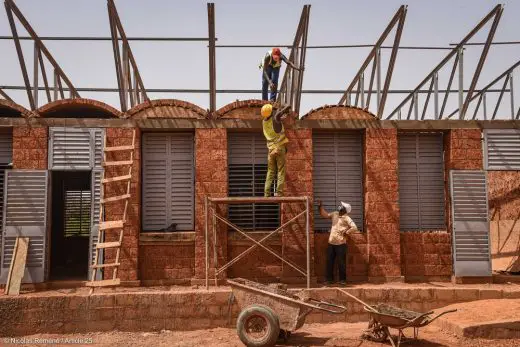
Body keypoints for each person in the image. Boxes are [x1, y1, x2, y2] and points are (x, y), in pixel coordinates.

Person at [317, 199, 358, 286]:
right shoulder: (335, 214)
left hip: (341, 244)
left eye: (341, 206)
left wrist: (346, 232)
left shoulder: (347, 218)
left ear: (344, 210)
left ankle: (342, 280)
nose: (339, 207)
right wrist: (320, 206)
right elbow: (325, 215)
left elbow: (354, 227)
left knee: (341, 263)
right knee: (329, 261)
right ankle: (329, 280)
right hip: (331, 242)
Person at [261, 103, 291, 197]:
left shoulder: (264, 122)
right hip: (279, 148)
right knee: (281, 170)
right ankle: (279, 193)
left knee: (270, 171)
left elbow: (277, 116)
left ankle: (266, 193)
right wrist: (284, 106)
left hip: (270, 151)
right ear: (270, 113)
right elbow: (284, 109)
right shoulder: (275, 119)